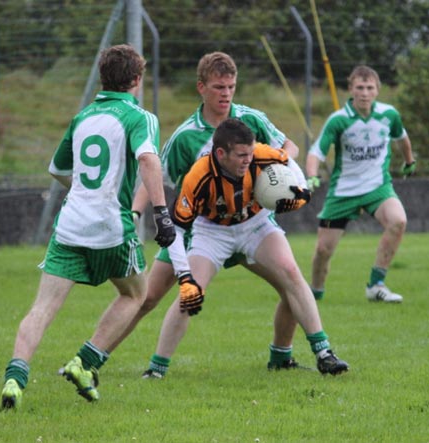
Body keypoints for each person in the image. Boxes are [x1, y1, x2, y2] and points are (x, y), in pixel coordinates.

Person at [0, 44, 176, 410]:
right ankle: (85, 362)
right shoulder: (140, 117)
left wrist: (83, 193)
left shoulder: (82, 118)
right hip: (112, 226)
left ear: (103, 78)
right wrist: (161, 212)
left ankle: (15, 380)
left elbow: (57, 169)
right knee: (135, 294)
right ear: (137, 80)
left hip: (70, 225)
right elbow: (147, 159)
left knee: (43, 307)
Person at [109, 52, 306, 376]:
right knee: (147, 297)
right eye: (218, 87)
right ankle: (92, 360)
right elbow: (154, 173)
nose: (226, 93)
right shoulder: (187, 135)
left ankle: (281, 357)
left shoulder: (249, 120)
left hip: (247, 225)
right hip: (200, 231)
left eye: (230, 86)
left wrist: (276, 171)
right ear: (201, 88)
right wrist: (134, 212)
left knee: (292, 287)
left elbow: (289, 147)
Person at [145, 118, 349, 377]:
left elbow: (288, 162)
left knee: (291, 273)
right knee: (190, 295)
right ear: (220, 154)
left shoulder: (259, 154)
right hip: (212, 231)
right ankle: (156, 369)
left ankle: (324, 354)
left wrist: (302, 194)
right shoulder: (198, 176)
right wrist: (184, 276)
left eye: (251, 154)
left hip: (255, 223)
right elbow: (178, 230)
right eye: (241, 155)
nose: (248, 160)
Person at [306, 65, 416, 303]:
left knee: (398, 221)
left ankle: (376, 284)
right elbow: (316, 152)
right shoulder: (338, 120)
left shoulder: (389, 115)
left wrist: (409, 161)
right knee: (323, 250)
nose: (364, 92)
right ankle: (314, 292)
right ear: (351, 89)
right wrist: (312, 175)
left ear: (377, 90)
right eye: (360, 87)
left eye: (369, 87)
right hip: (343, 191)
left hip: (378, 187)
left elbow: (402, 138)